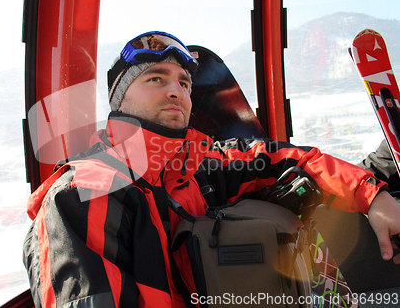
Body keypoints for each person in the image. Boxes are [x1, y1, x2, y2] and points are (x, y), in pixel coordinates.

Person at [23, 31, 400, 308]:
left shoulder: (202, 163)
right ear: (120, 98)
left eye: (184, 82)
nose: (176, 91)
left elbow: (289, 159)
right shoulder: (85, 194)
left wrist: (372, 194)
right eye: (156, 78)